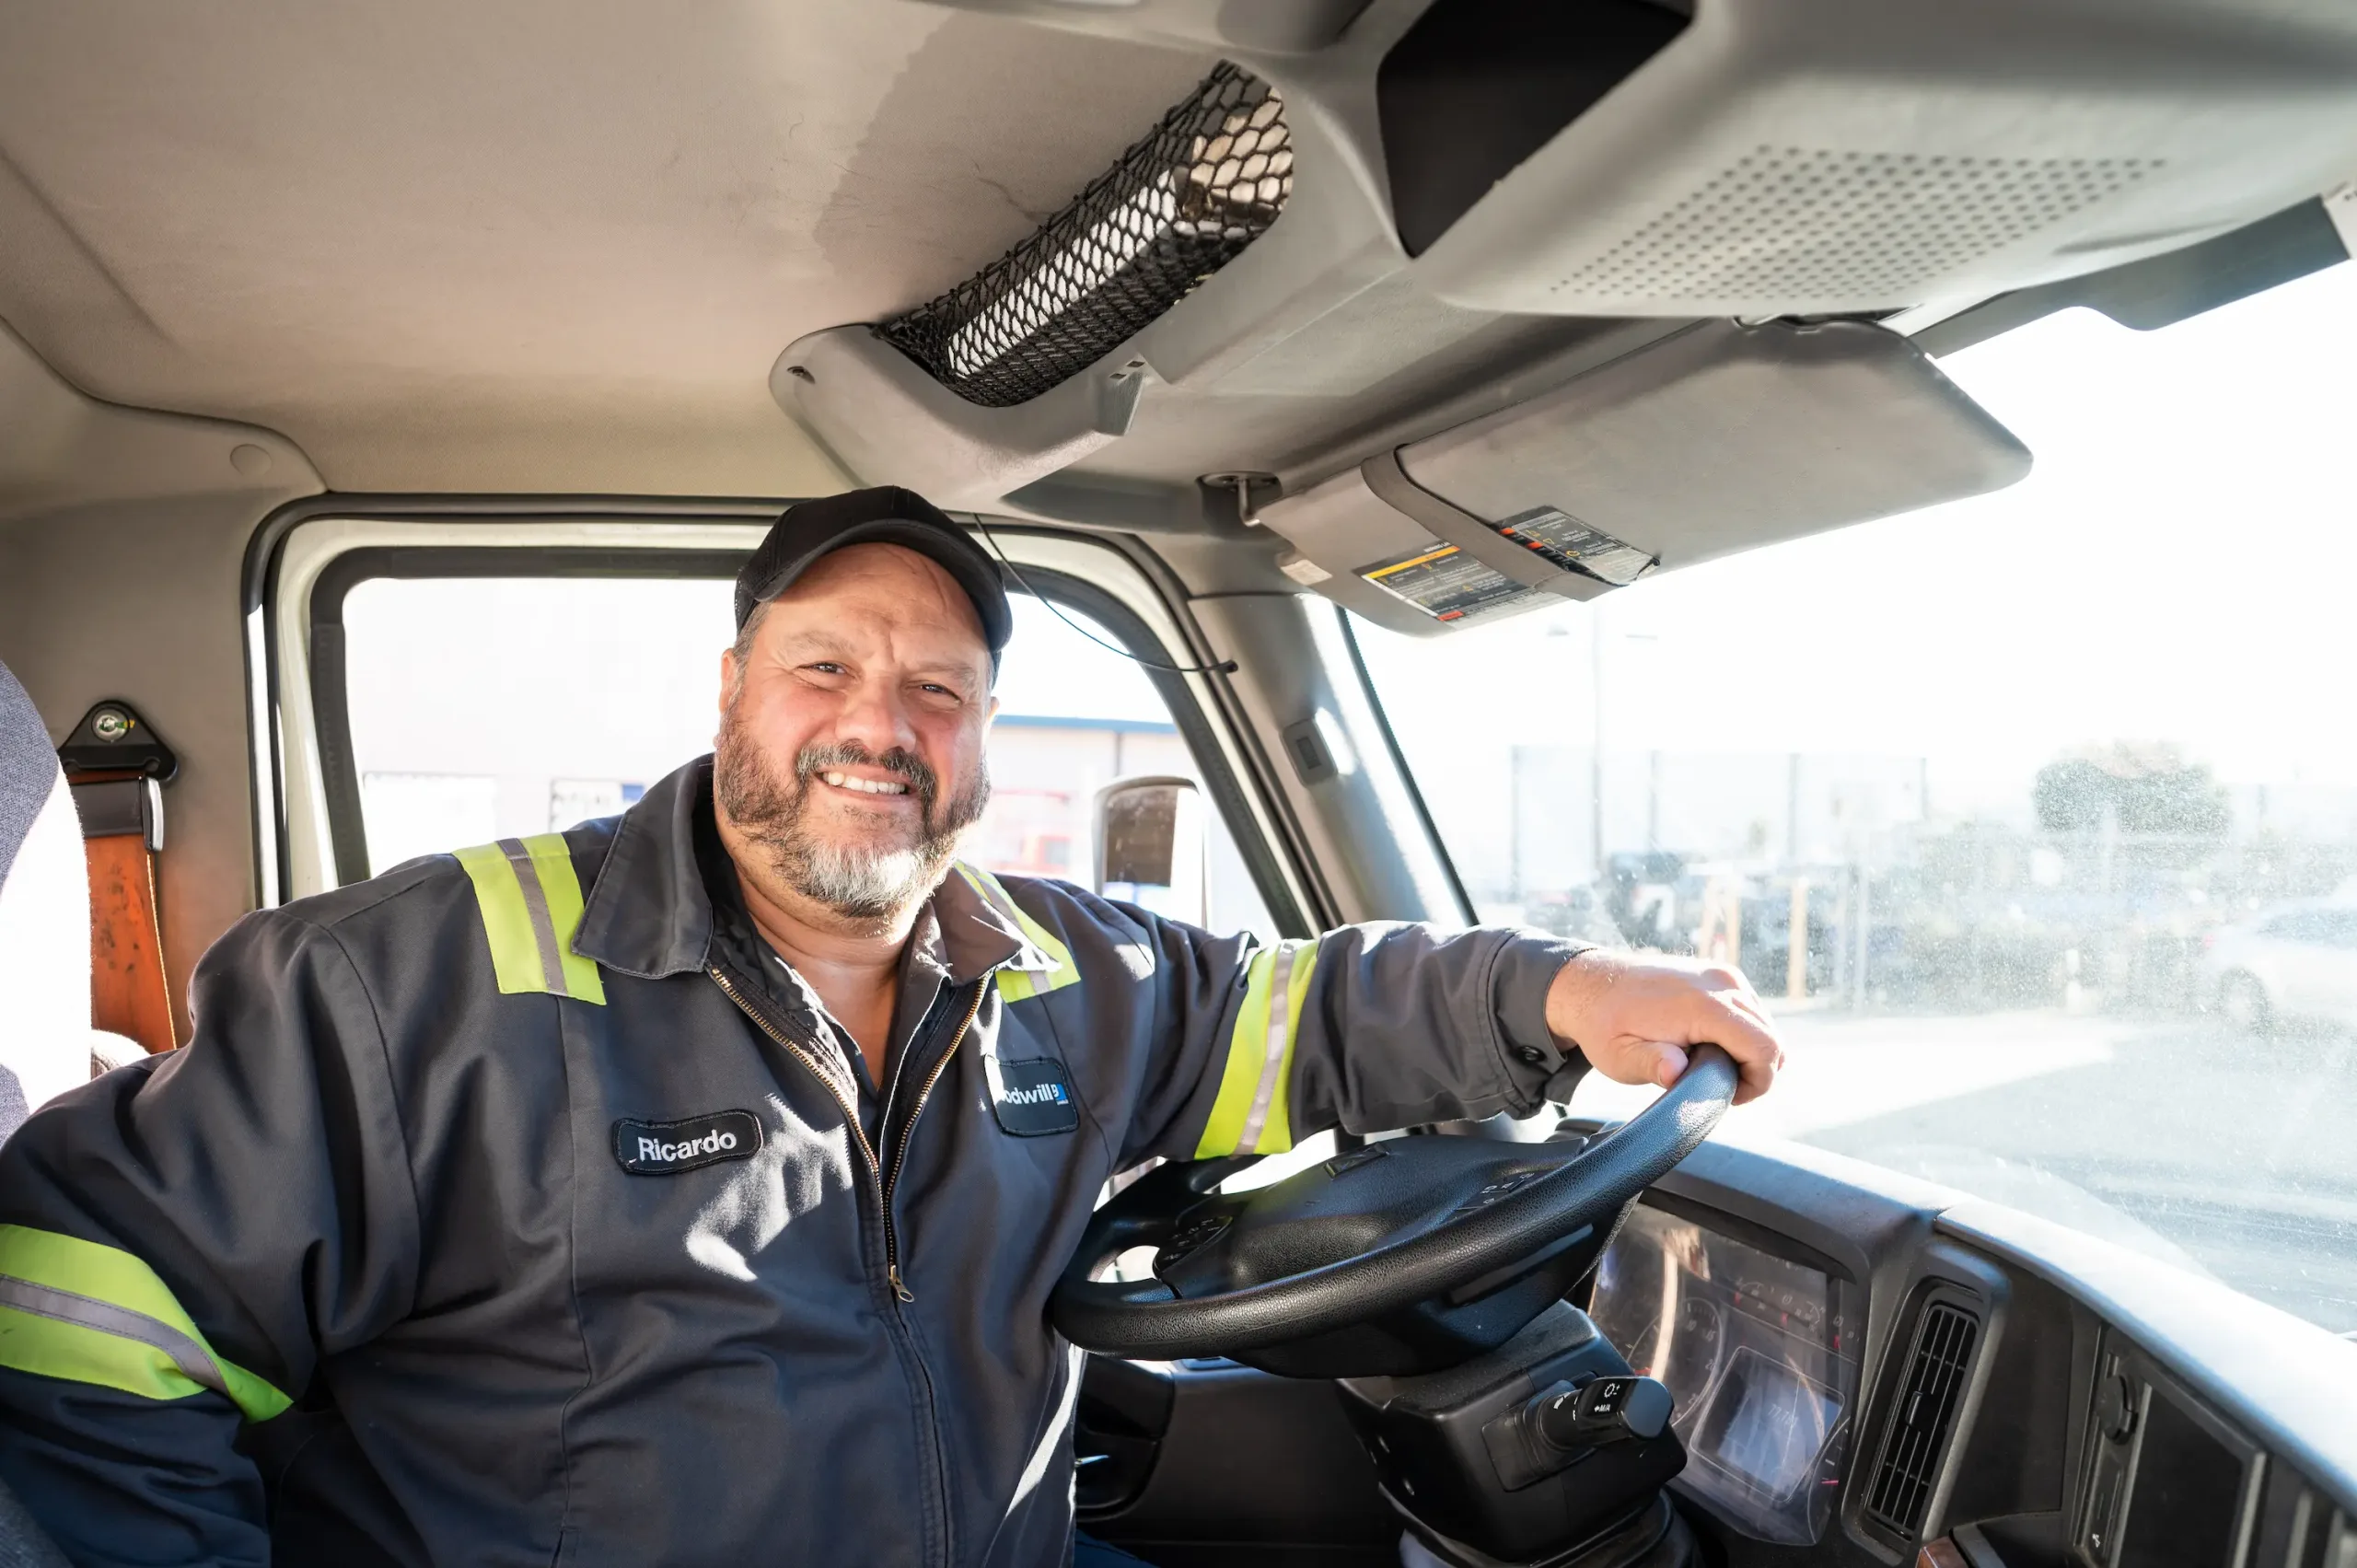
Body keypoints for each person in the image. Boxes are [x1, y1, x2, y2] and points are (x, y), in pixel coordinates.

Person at [0, 487, 1784, 1567]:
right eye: (827, 667)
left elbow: (1291, 1011)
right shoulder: (425, 980)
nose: (881, 719)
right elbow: (82, 1302)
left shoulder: (1054, 968)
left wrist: (1563, 991)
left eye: (937, 683)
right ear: (732, 696)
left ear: (983, 731)